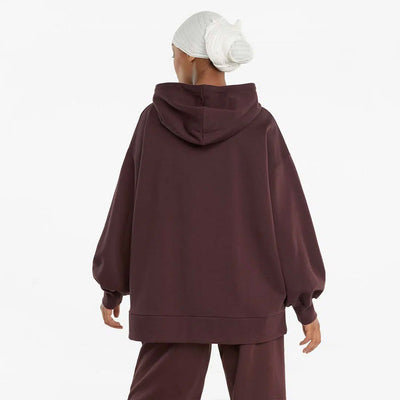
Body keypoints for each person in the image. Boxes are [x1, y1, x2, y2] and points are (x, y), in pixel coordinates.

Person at [92, 10, 326, 400]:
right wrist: (305, 304)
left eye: (173, 54)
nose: (173, 62)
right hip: (253, 299)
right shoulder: (260, 125)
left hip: (171, 298)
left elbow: (125, 210)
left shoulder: (152, 123)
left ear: (190, 57)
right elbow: (289, 221)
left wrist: (112, 286)